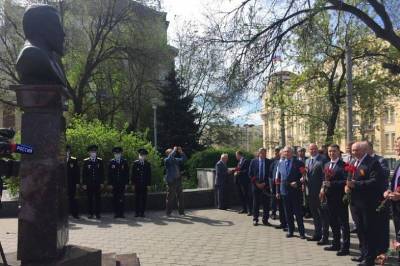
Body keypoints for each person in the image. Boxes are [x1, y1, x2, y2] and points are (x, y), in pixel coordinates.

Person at [346, 142, 385, 266]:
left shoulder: (372, 163)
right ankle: (363, 253)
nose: (354, 152)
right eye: (352, 150)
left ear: (364, 150)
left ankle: (370, 258)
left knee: (369, 230)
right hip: (354, 202)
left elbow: (375, 182)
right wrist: (347, 187)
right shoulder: (353, 162)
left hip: (367, 203)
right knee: (360, 230)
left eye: (356, 150)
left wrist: (355, 185)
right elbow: (349, 178)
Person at [320, 144, 350, 256]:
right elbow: (324, 179)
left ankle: (345, 247)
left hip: (340, 199)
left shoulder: (344, 165)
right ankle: (336, 243)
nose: (331, 153)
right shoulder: (327, 164)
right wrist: (322, 189)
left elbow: (345, 181)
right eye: (330, 151)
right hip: (329, 198)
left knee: (343, 224)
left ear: (339, 152)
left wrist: (331, 184)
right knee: (333, 222)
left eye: (334, 151)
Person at [365, 141, 390, 257]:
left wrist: (374, 166)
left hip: (381, 197)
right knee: (372, 226)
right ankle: (374, 249)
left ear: (370, 149)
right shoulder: (364, 162)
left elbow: (385, 173)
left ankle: (382, 250)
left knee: (382, 226)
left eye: (364, 149)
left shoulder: (380, 160)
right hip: (369, 198)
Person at [276, 146, 306, 239]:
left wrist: (297, 182)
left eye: (288, 152)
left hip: (295, 192)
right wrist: (278, 191)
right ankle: (291, 230)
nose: (286, 153)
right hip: (284, 191)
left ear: (292, 153)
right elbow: (278, 178)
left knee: (298, 213)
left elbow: (304, 176)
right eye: (285, 152)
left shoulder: (299, 163)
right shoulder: (280, 163)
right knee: (287, 213)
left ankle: (302, 232)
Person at [305, 143, 329, 245]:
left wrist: (323, 189)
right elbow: (307, 175)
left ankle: (325, 236)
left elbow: (325, 176)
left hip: (320, 192)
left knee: (323, 215)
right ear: (309, 150)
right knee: (315, 214)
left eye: (314, 149)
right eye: (311, 149)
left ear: (317, 149)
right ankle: (317, 234)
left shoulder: (323, 160)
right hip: (310, 192)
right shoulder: (307, 160)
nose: (313, 151)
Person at [384, 137, 400, 263]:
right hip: (395, 204)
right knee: (398, 232)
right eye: (396, 144)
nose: (396, 147)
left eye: (398, 145)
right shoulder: (397, 162)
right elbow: (394, 181)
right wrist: (389, 190)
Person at [248, 148, 272, 226]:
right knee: (256, 203)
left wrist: (265, 183)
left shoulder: (269, 162)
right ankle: (255, 219)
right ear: (258, 153)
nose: (263, 154)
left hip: (266, 186)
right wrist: (257, 183)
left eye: (264, 153)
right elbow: (250, 174)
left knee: (266, 204)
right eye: (261, 153)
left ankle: (265, 220)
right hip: (256, 185)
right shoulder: (253, 161)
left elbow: (271, 174)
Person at [82, 145, 104, 219]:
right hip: (89, 184)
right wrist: (84, 183)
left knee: (98, 199)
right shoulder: (86, 161)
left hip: (97, 183)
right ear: (89, 153)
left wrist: (102, 182)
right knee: (90, 199)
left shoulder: (100, 161)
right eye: (92, 152)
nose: (93, 153)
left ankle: (98, 214)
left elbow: (102, 173)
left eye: (94, 151)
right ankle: (90, 214)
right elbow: (84, 173)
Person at [164, 146, 187, 216]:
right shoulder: (167, 160)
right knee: (170, 198)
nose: (173, 152)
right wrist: (174, 150)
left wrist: (181, 152)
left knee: (181, 197)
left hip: (178, 180)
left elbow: (184, 159)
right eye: (171, 152)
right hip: (171, 181)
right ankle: (168, 213)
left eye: (173, 151)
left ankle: (181, 212)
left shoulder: (176, 160)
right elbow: (170, 157)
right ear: (168, 154)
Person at [108, 147, 129, 218]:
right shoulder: (111, 162)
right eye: (116, 153)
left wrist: (126, 183)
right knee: (115, 198)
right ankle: (116, 213)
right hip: (114, 184)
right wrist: (110, 184)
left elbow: (127, 173)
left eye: (118, 153)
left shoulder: (124, 161)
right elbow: (109, 174)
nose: (117, 154)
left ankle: (121, 213)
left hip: (122, 183)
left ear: (121, 154)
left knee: (122, 198)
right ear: (114, 154)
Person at [132, 149, 152, 217]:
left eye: (143, 155)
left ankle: (142, 212)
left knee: (144, 198)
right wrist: (133, 184)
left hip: (144, 184)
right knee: (136, 198)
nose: (142, 156)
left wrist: (149, 184)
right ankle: (136, 213)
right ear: (139, 155)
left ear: (145, 156)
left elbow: (149, 175)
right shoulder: (135, 163)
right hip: (137, 184)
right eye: (141, 155)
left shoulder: (147, 164)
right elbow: (133, 174)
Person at [272, 149, 287, 231]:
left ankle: (287, 224)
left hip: (285, 188)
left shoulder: (287, 163)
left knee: (286, 208)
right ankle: (282, 223)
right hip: (277, 187)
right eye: (282, 153)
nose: (283, 155)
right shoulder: (277, 162)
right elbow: (274, 174)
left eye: (284, 153)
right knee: (280, 207)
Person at [66, 145, 80, 219]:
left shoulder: (74, 160)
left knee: (73, 199)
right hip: (62, 184)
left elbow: (77, 172)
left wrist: (77, 183)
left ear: (69, 151)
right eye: (65, 150)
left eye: (67, 150)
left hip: (72, 183)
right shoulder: (59, 159)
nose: (66, 152)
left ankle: (75, 214)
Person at [269, 147, 281, 219]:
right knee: (273, 199)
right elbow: (270, 173)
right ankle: (273, 213)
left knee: (281, 199)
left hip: (281, 183)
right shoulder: (272, 161)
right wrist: (270, 184)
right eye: (276, 152)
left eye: (278, 152)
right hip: (273, 183)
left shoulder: (283, 160)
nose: (276, 154)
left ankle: (282, 213)